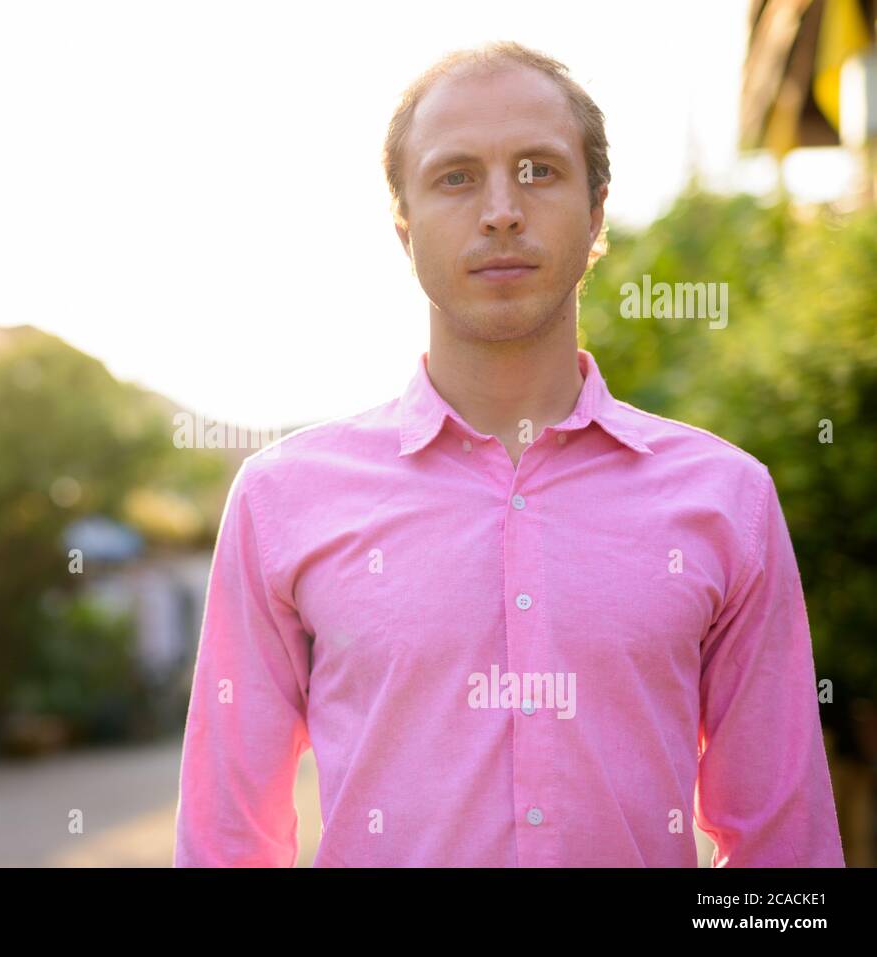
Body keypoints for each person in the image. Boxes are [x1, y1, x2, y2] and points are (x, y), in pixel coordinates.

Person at [172, 41, 846, 867]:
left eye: (538, 170)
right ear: (403, 223)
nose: (501, 209)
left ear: (597, 210)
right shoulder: (280, 502)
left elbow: (786, 853)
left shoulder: (728, 498)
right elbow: (225, 842)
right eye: (456, 176)